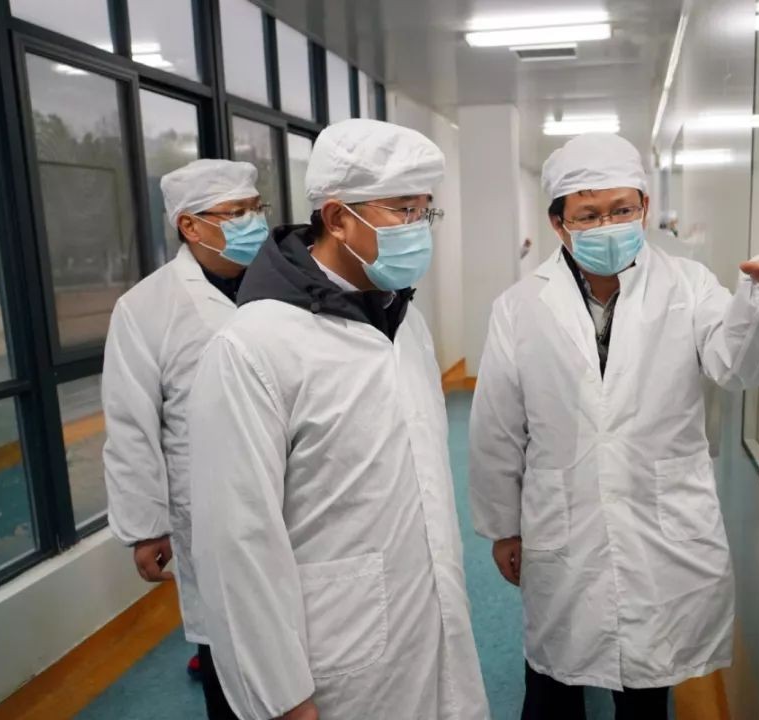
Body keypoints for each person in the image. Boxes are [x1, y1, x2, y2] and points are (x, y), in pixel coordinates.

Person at [467, 132, 759, 719]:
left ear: (644, 206)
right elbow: (497, 426)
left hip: (659, 517)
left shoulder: (688, 285)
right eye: (589, 214)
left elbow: (736, 364)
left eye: (622, 209)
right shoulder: (519, 307)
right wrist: (502, 527)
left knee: (647, 681)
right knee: (554, 677)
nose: (608, 225)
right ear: (558, 223)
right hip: (562, 514)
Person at [189, 119, 488, 720]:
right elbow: (236, 541)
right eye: (402, 210)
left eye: (424, 211)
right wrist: (280, 695)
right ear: (337, 218)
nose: (418, 228)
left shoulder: (403, 321)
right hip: (335, 651)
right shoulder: (254, 345)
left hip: (426, 613)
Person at [102, 159, 267, 719]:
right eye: (235, 213)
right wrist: (145, 527)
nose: (253, 222)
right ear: (189, 226)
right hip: (209, 506)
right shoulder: (146, 308)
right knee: (228, 650)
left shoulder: (286, 285)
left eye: (256, 208)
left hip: (291, 488)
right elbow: (131, 423)